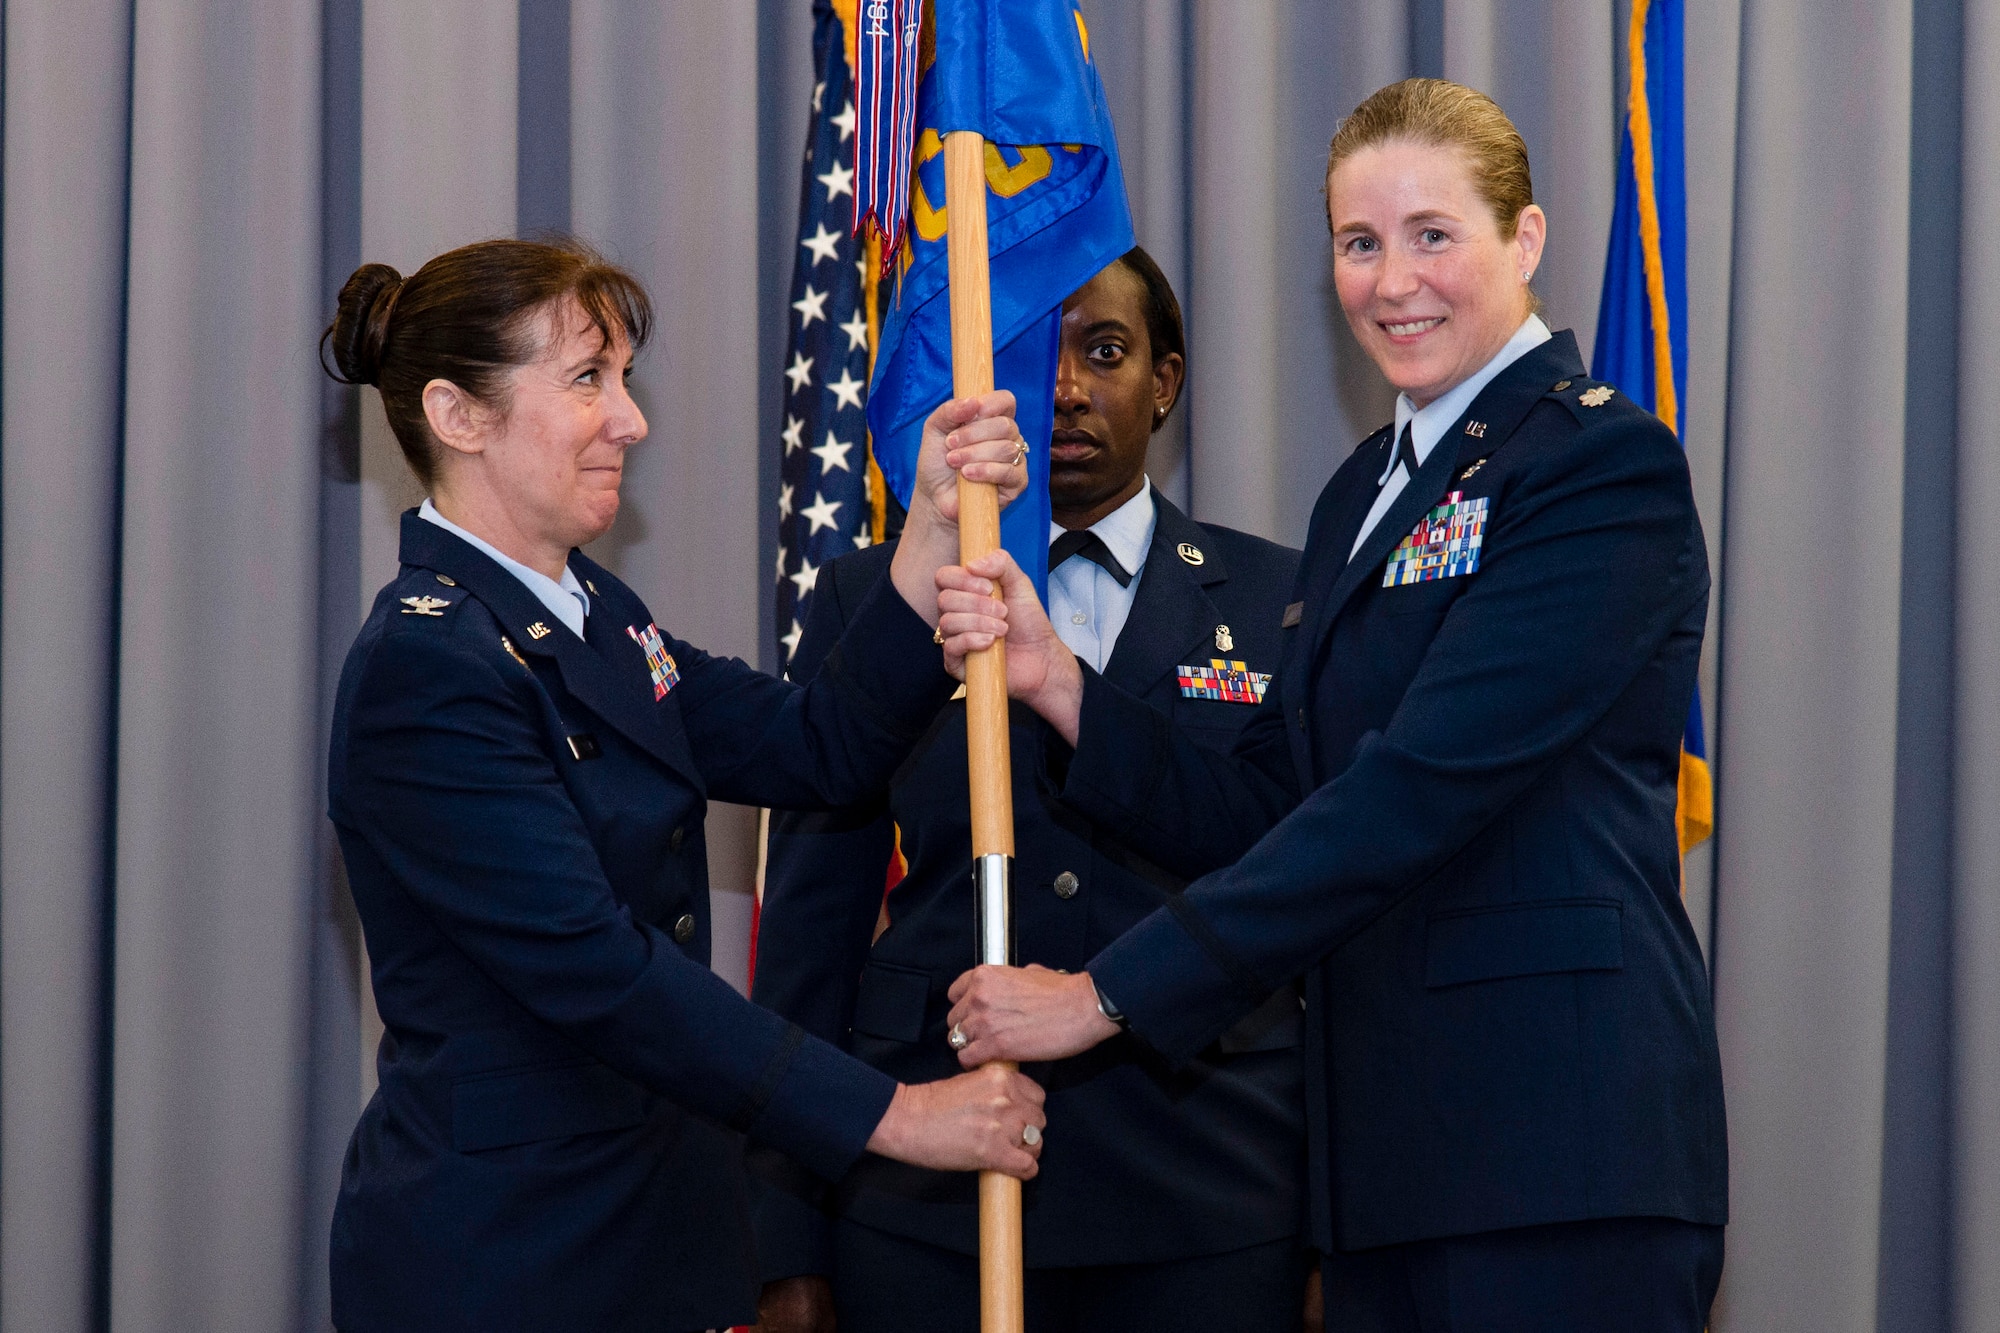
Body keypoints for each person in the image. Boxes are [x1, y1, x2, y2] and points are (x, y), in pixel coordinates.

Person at [935, 79, 1728, 1332]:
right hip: (1385, 1166)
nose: (1390, 278)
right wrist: (1055, 683)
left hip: (1555, 1152)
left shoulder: (1596, 464)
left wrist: (1103, 997)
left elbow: (1414, 788)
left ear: (1521, 241)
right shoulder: (1362, 490)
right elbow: (1271, 799)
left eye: (1431, 234)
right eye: (1358, 243)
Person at [319, 237, 1046, 1333]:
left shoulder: (590, 610)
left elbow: (815, 748)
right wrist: (895, 1115)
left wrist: (933, 522)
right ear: (457, 416)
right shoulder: (427, 665)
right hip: (511, 1258)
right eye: (584, 380)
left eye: (621, 380)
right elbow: (600, 971)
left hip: (654, 1235)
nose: (631, 420)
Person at [750, 248, 1312, 1333]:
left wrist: (1337, 1228)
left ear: (1165, 379)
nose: (1062, 388)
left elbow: (1312, 891)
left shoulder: (1282, 594)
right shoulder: (888, 591)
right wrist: (784, 1234)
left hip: (1209, 1191)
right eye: (1029, 356)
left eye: (1104, 352)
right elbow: (811, 928)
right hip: (927, 1204)